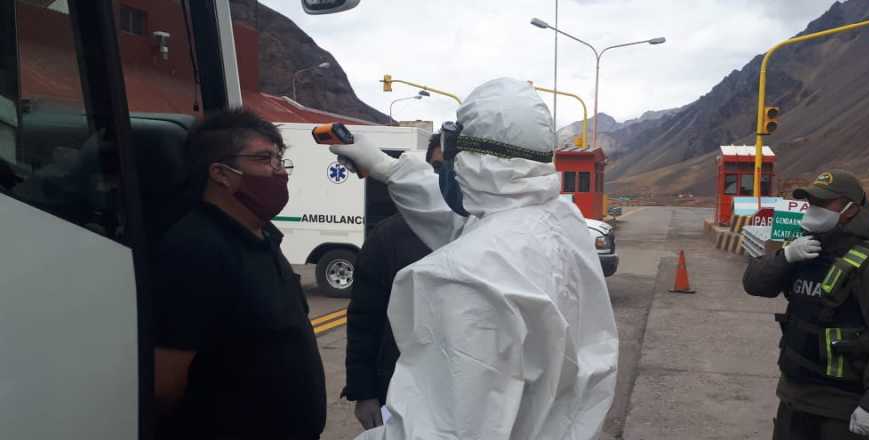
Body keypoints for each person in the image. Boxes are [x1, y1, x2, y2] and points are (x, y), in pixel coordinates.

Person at [331, 78, 619, 440]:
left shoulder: (463, 277)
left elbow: (443, 430)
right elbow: (470, 224)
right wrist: (391, 170)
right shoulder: (563, 224)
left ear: (468, 159)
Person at [152, 109, 326, 440]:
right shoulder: (196, 249)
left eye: (279, 159)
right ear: (220, 173)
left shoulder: (264, 237)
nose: (278, 172)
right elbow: (165, 381)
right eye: (263, 159)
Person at [743, 170, 869, 439]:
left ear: (850, 210)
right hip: (794, 398)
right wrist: (785, 257)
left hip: (842, 410)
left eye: (824, 203)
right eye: (811, 203)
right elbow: (754, 284)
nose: (814, 209)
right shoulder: (804, 250)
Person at [342, 135, 442, 429]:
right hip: (396, 387)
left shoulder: (488, 234)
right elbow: (364, 318)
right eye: (437, 166)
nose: (445, 175)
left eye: (454, 166)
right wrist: (364, 392)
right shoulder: (388, 237)